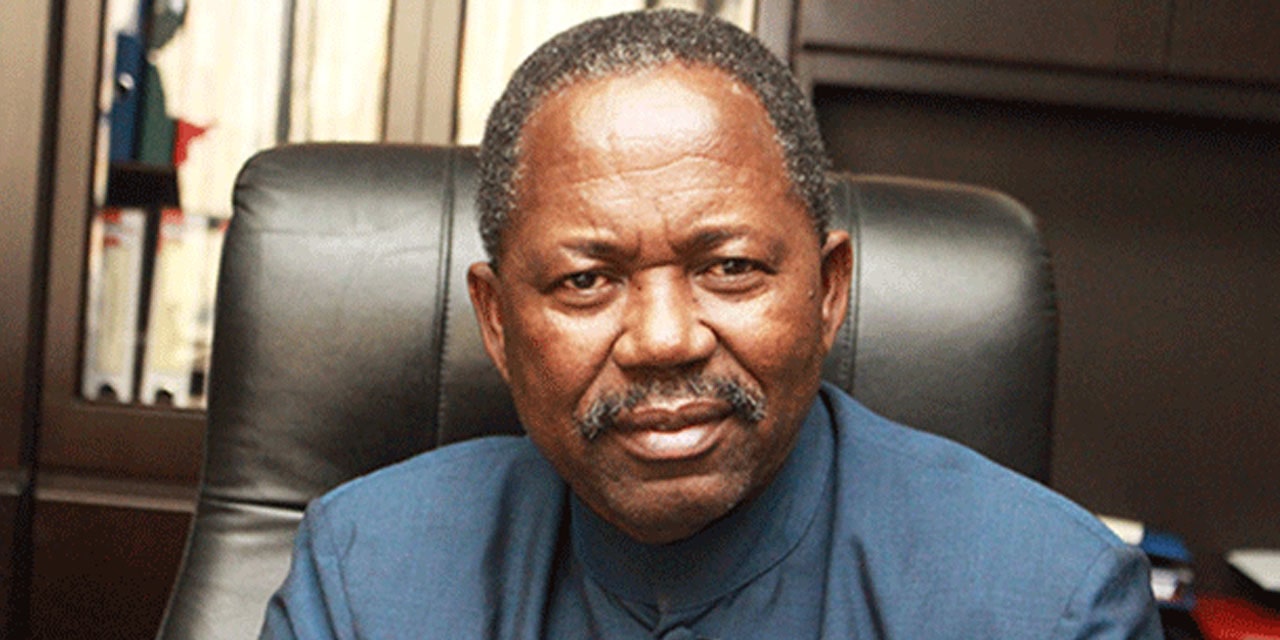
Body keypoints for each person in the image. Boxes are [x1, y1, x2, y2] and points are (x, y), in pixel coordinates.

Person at [261, 9, 1163, 639]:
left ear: (829, 290)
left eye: (729, 267)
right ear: (497, 323)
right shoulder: (366, 574)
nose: (664, 339)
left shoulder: (1046, 602)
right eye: (586, 280)